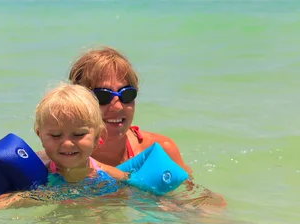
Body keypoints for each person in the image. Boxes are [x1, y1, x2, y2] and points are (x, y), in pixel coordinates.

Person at [61, 45, 226, 208]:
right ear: (79, 101)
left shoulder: (161, 149)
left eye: (127, 94)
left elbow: (204, 202)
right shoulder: (60, 157)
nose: (118, 107)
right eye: (102, 96)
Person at [0, 83, 129, 224]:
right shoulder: (41, 168)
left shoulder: (104, 173)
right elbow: (17, 198)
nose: (67, 143)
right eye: (55, 135)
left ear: (98, 137)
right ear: (40, 136)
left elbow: (129, 183)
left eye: (78, 134)